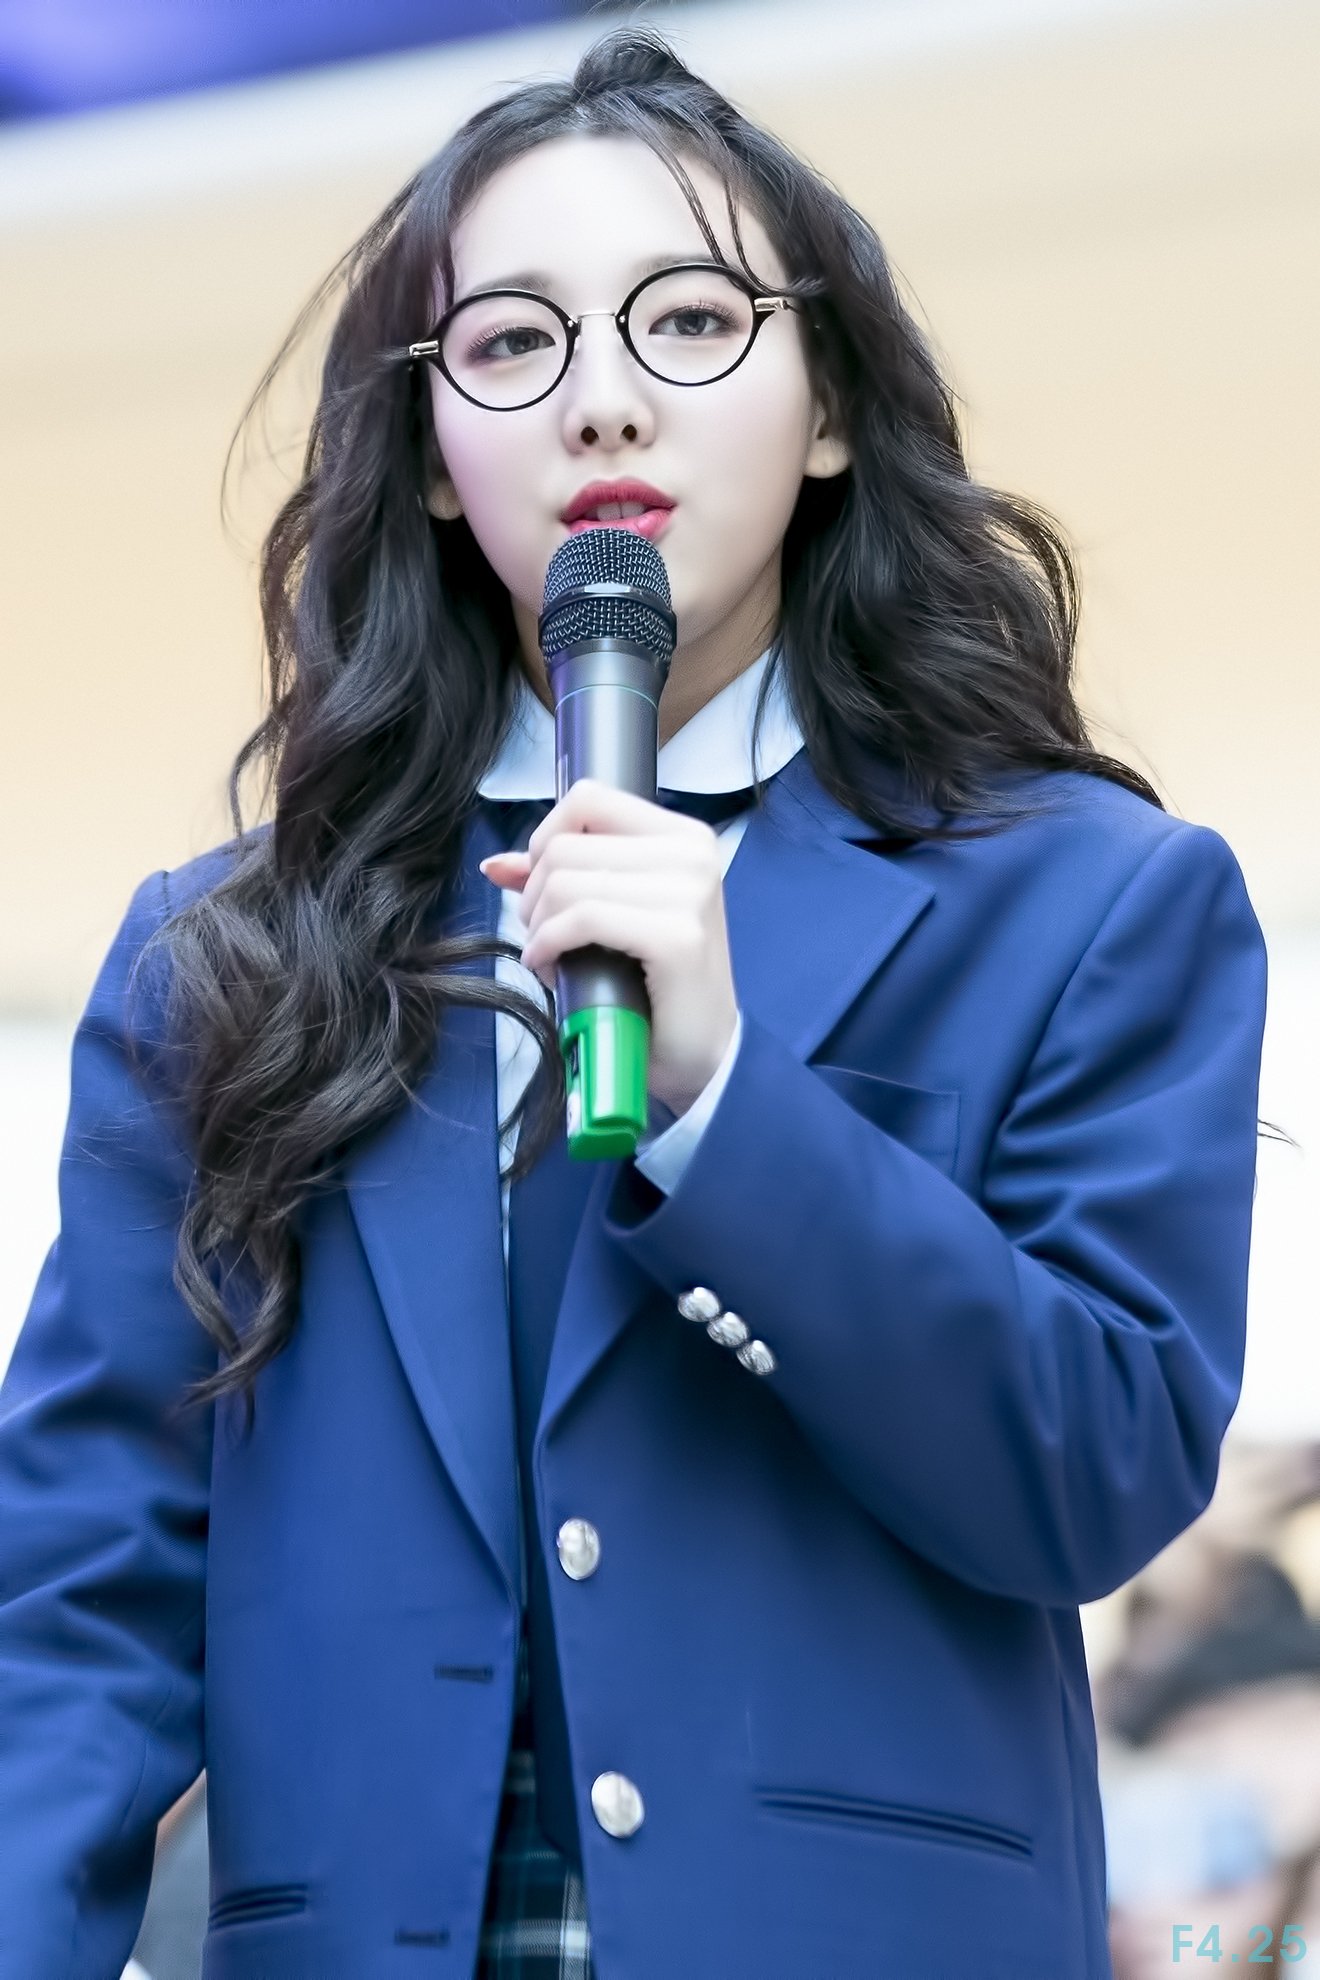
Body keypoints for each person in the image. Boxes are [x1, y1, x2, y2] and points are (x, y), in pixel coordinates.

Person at [0, 26, 1267, 1980]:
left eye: (688, 320)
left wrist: (729, 1104)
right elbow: (78, 1597)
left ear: (828, 408)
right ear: (435, 461)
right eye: (513, 343)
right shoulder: (222, 954)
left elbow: (1095, 1474)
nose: (604, 401)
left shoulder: (1091, 901)